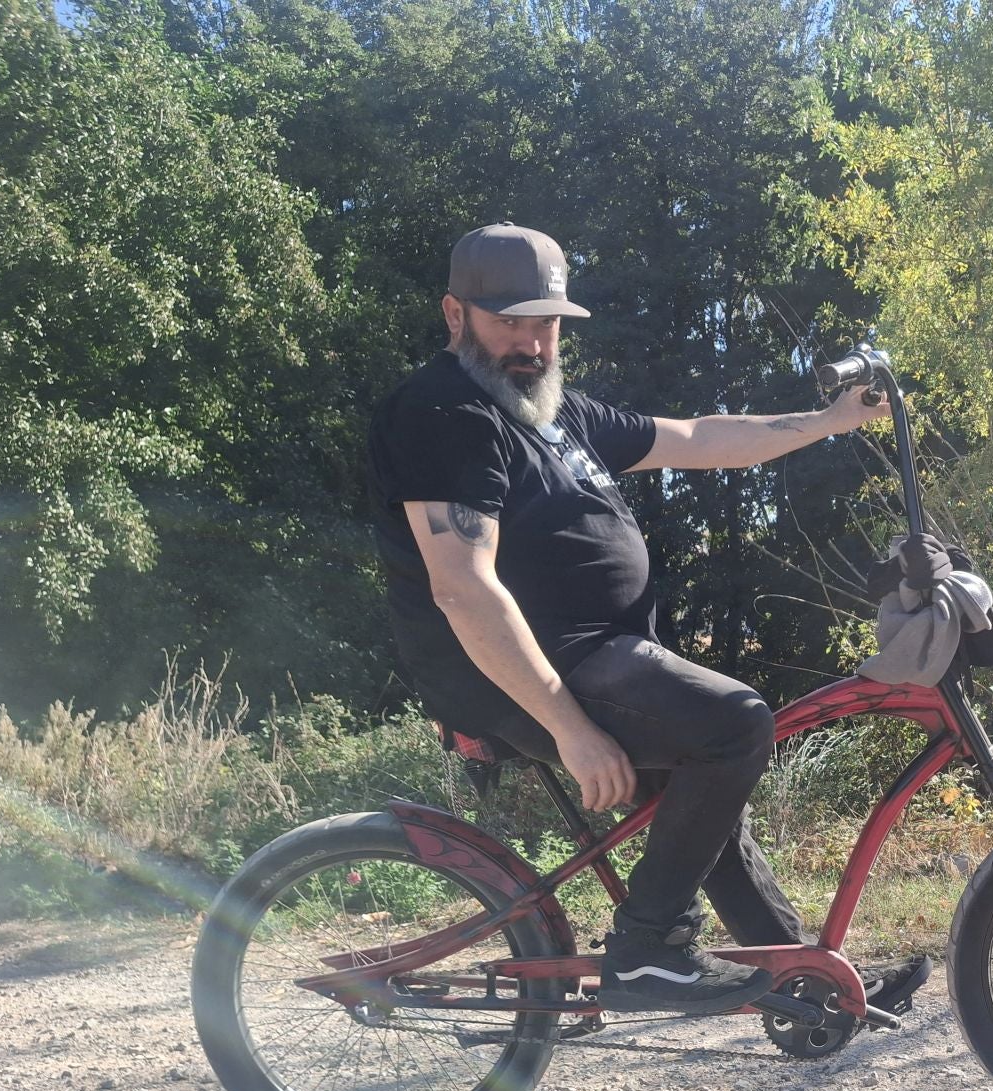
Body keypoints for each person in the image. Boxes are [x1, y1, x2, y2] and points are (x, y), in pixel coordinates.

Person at [367, 223, 925, 1016]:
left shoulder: (554, 414)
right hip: (534, 672)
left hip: (605, 655)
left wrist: (827, 420)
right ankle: (649, 952)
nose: (531, 341)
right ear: (455, 316)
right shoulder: (442, 412)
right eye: (509, 321)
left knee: (705, 799)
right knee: (732, 724)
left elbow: (699, 438)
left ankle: (799, 982)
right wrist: (568, 726)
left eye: (547, 321)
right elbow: (463, 587)